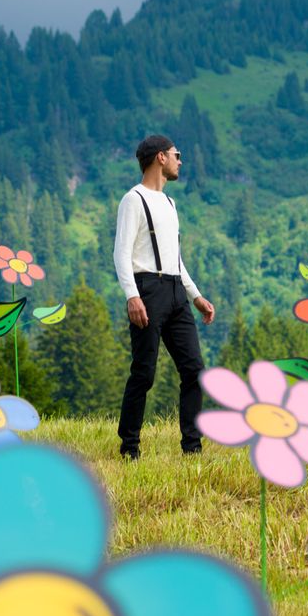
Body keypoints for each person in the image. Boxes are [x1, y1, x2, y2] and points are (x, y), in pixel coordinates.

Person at [113, 135, 215, 460]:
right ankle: (129, 446)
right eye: (176, 155)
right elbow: (121, 253)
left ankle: (192, 447)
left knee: (195, 369)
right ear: (160, 157)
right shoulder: (133, 199)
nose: (180, 161)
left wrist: (195, 296)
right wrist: (132, 296)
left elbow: (175, 257)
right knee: (144, 372)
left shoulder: (171, 204)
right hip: (148, 290)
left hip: (175, 291)